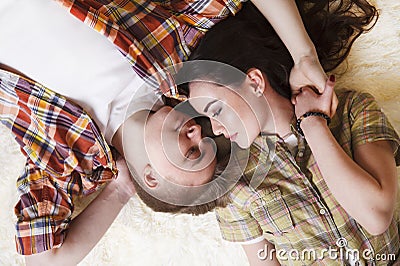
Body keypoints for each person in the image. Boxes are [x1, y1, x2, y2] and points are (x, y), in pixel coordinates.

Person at [0, 0, 336, 264]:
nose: (196, 131)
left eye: (192, 151)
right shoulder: (176, 59)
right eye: (204, 138)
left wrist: (119, 190)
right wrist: (304, 56)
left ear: (151, 178)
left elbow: (44, 259)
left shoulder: (71, 161)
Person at [176, 1, 400, 265]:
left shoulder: (353, 110)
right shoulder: (234, 186)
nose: (214, 129)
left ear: (255, 82)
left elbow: (376, 217)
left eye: (216, 110)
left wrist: (313, 123)